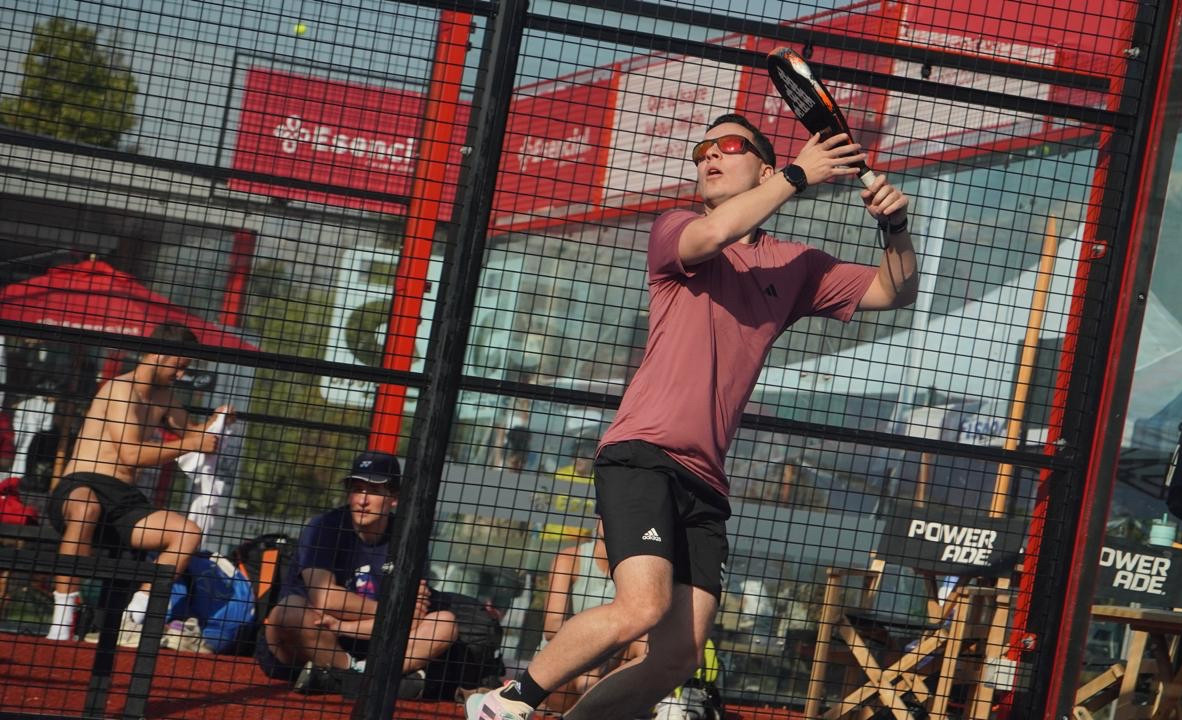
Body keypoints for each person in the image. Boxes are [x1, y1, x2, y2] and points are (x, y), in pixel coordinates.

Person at [467, 113, 917, 720]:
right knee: (641, 608)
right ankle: (505, 703)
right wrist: (798, 175)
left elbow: (895, 291)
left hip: (706, 480)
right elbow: (717, 234)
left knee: (679, 655)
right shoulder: (677, 229)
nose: (709, 157)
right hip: (643, 453)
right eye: (702, 150)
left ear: (761, 167)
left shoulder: (795, 265)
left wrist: (894, 227)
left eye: (728, 146)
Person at [45, 324, 231, 642]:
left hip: (125, 501)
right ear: (159, 355)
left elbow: (194, 432)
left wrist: (219, 421)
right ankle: (62, 621)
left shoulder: (165, 398)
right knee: (87, 509)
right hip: (82, 486)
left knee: (187, 533)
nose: (180, 375)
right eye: (178, 366)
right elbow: (131, 453)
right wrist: (193, 443)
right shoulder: (120, 389)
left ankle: (134, 615)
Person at [257, 450, 468, 700]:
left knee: (444, 623)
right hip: (314, 637)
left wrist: (346, 624)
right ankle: (370, 679)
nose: (362, 500)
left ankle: (348, 678)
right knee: (289, 610)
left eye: (374, 491)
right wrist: (393, 611)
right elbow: (325, 599)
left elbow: (413, 620)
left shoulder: (409, 540)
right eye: (357, 489)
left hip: (373, 645)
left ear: (394, 498)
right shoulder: (323, 527)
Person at [540, 519, 646, 712]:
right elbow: (552, 628)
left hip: (609, 663)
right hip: (562, 665)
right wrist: (596, 650)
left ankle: (669, 705)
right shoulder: (569, 559)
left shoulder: (639, 570)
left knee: (646, 639)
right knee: (588, 675)